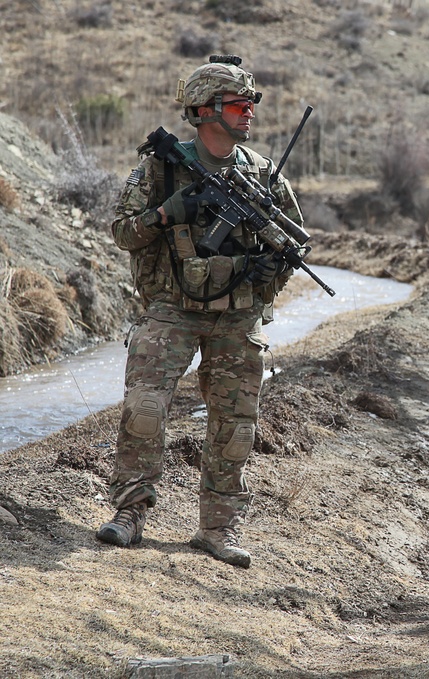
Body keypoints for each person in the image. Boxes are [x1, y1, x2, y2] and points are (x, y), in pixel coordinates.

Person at [96, 55, 302, 569]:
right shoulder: (160, 168)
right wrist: (167, 213)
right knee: (144, 411)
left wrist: (261, 278)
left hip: (237, 316)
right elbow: (122, 232)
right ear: (204, 111)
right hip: (170, 309)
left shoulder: (262, 176)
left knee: (236, 426)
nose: (249, 112)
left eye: (251, 103)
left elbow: (293, 249)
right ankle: (129, 514)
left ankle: (218, 527)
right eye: (238, 103)